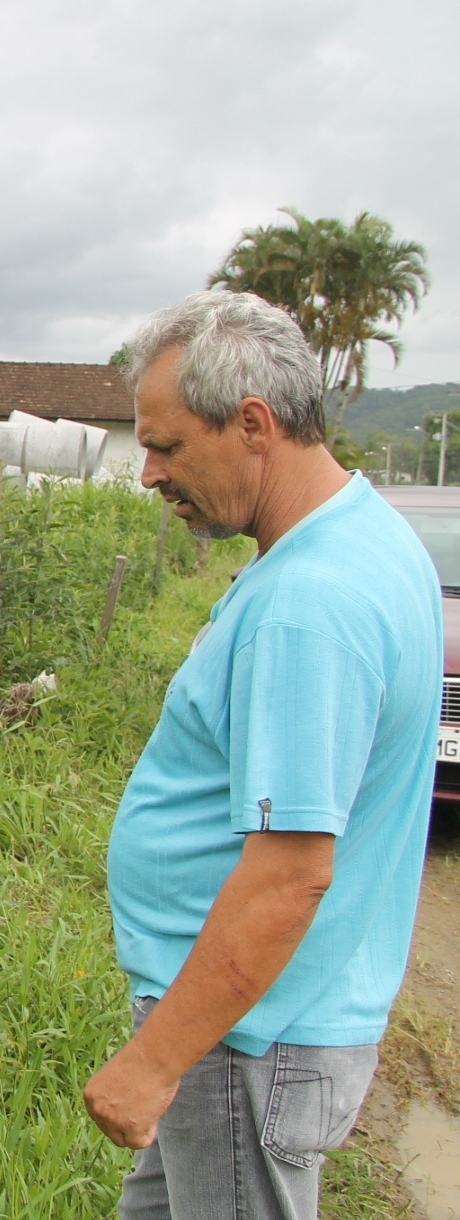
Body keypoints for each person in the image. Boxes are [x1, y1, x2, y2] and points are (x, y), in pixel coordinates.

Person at [84, 290, 440, 1219]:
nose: (149, 474)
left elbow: (290, 875)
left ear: (252, 423)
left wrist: (155, 1060)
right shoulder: (361, 536)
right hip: (251, 1023)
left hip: (248, 1039)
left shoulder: (308, 603)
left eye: (166, 446)